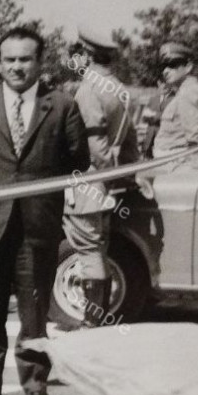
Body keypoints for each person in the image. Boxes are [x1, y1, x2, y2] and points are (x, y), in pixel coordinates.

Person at [0, 27, 90, 395]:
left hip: (38, 226)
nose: (17, 67)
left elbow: (77, 160)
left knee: (34, 313)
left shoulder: (61, 105)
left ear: (39, 62)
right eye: (10, 59)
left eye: (25, 59)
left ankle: (35, 384)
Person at [61, 28, 139, 327]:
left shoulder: (90, 89)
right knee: (97, 249)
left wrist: (103, 170)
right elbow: (127, 138)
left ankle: (92, 322)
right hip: (106, 184)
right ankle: (97, 320)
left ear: (86, 55)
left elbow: (94, 145)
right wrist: (122, 174)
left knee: (89, 252)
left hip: (88, 183)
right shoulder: (118, 87)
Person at [152, 40, 198, 157]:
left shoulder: (189, 93)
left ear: (188, 67)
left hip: (176, 164)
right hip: (170, 162)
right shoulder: (184, 91)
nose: (165, 71)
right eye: (163, 66)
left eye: (172, 64)